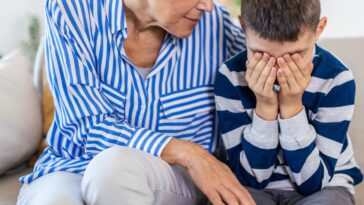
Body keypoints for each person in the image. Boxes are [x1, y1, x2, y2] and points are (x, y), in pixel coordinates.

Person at [17, 0, 256, 204]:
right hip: (71, 165)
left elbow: (274, 58)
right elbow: (84, 126)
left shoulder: (216, 25)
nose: (207, 5)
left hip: (173, 177)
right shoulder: (73, 9)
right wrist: (190, 154)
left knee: (111, 170)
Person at [215, 0, 363, 204]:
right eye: (261, 54)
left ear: (318, 29)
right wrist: (265, 106)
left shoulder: (336, 79)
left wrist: (291, 106)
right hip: (253, 187)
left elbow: (313, 182)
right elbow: (251, 178)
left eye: (295, 55)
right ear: (243, 27)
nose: (278, 70)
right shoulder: (230, 77)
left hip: (325, 187)